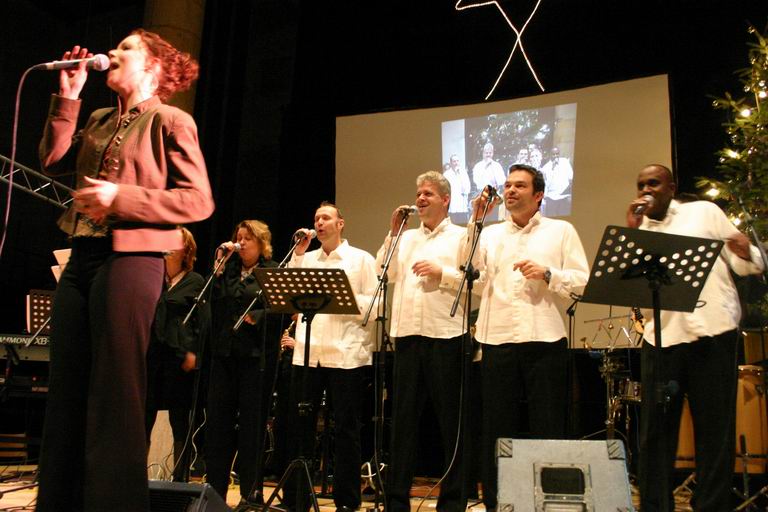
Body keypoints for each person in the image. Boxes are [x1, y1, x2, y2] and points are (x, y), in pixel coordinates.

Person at [36, 30, 214, 512]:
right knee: (67, 385)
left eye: (127, 48)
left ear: (153, 66)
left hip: (132, 259)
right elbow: (50, 160)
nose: (113, 52)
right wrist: (68, 99)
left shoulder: (170, 119)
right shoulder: (97, 118)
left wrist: (123, 197)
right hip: (82, 256)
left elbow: (198, 200)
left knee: (115, 390)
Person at [627, 164, 764, 512]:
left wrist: (747, 252)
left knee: (714, 431)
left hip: (712, 332)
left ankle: (711, 506)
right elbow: (631, 285)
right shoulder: (640, 227)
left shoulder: (703, 212)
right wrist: (633, 233)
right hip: (662, 338)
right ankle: (655, 506)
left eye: (654, 183)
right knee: (655, 433)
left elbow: (748, 263)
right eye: (641, 184)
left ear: (671, 188)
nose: (646, 190)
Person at [469, 164, 589, 512]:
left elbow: (582, 282)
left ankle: (551, 503)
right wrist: (476, 221)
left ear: (538, 195)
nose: (510, 191)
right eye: (508, 185)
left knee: (547, 425)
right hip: (497, 338)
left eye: (519, 186)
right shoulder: (490, 234)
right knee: (496, 428)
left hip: (544, 338)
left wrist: (549, 274)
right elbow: (471, 275)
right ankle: (496, 503)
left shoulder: (561, 230)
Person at [377, 171, 468, 512]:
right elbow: (382, 272)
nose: (420, 198)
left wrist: (442, 272)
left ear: (445, 199)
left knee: (450, 426)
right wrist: (392, 232)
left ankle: (453, 502)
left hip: (446, 336)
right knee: (402, 424)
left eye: (428, 193)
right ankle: (397, 501)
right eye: (418, 193)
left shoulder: (461, 236)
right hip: (407, 336)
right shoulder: (405, 237)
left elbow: (478, 280)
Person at [281, 202, 377, 512]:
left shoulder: (361, 259)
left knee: (346, 429)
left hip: (346, 354)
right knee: (301, 426)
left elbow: (377, 305)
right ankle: (297, 499)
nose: (319, 223)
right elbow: (288, 296)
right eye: (316, 219)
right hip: (308, 353)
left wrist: (342, 296)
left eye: (326, 218)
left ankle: (347, 502)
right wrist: (297, 255)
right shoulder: (306, 259)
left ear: (340, 224)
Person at [207, 220, 283, 510]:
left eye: (247, 238)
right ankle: (215, 492)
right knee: (219, 425)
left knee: (252, 427)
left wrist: (259, 316)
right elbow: (211, 303)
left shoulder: (272, 270)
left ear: (261, 243)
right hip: (225, 357)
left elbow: (281, 310)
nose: (240, 243)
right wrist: (217, 268)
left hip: (255, 360)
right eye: (238, 237)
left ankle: (252, 493)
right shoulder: (227, 270)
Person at [145, 226, 207, 482]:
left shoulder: (196, 281)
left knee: (179, 420)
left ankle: (179, 479)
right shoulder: (153, 278)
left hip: (179, 360)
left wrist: (193, 352)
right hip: (151, 357)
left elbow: (201, 323)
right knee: (144, 418)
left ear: (186, 250)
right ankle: (135, 477)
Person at [540, 147, 574, 217]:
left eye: (557, 154)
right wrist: (552, 169)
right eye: (553, 154)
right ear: (550, 155)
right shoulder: (546, 167)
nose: (555, 156)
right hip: (551, 197)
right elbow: (546, 183)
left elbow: (571, 177)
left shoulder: (565, 162)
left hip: (564, 197)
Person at [443, 154, 471, 223]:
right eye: (454, 161)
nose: (456, 163)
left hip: (462, 203)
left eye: (457, 161)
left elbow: (468, 186)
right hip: (452, 204)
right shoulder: (446, 174)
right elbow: (444, 189)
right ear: (451, 163)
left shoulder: (463, 173)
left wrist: (465, 190)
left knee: (463, 223)